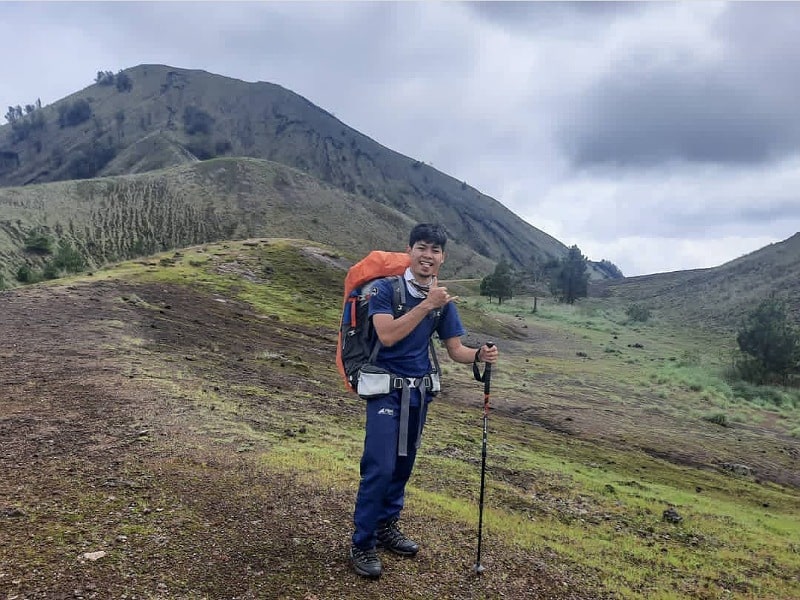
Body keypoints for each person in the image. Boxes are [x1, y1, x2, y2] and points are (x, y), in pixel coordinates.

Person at [349, 223, 499, 578]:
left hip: (418, 393)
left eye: (434, 250)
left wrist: (480, 354)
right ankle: (362, 542)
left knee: (402, 467)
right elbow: (386, 335)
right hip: (386, 390)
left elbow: (456, 350)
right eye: (421, 247)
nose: (427, 256)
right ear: (410, 250)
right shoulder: (385, 290)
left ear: (442, 258)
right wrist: (427, 305)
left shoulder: (442, 304)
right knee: (380, 468)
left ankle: (387, 527)